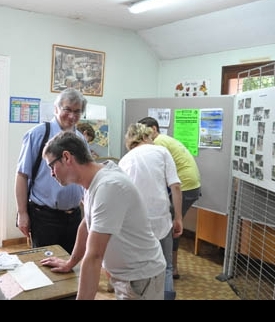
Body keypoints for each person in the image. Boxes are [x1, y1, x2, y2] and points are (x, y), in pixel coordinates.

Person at [40, 131, 166, 300]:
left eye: (51, 166)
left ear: (67, 157)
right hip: (127, 276)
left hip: (141, 278)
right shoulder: (93, 180)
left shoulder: (109, 186)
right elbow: (87, 224)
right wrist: (71, 263)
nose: (52, 173)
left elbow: (94, 256)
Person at [15, 88, 89, 254]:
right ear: (56, 109)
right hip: (44, 218)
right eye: (67, 109)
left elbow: (84, 176)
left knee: (71, 263)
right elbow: (22, 175)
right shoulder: (38, 134)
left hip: (74, 217)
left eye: (77, 111)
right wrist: (22, 213)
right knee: (45, 264)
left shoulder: (81, 140)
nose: (72, 116)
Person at [118, 123, 183, 300]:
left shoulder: (125, 160)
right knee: (166, 266)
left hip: (135, 225)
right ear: (147, 136)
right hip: (161, 220)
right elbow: (175, 187)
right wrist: (178, 218)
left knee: (139, 268)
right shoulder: (162, 152)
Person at [138, 116, 201, 279]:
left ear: (153, 129)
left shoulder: (158, 143)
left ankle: (170, 268)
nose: (143, 137)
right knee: (171, 223)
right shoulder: (164, 140)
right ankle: (168, 266)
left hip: (185, 186)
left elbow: (157, 172)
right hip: (191, 185)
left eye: (145, 132)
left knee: (171, 225)